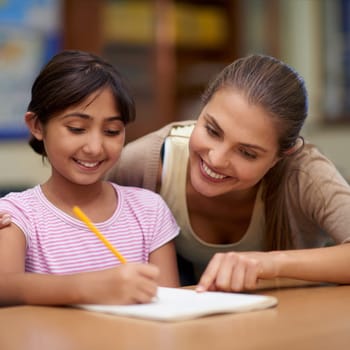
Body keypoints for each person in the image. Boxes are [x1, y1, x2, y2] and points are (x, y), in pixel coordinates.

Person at [106, 53, 350, 291]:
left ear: (281, 155)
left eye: (247, 153)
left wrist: (270, 263)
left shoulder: (305, 174)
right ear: (200, 110)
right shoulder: (148, 161)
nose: (216, 159)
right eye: (212, 130)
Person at [0, 50, 179, 306]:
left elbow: (171, 307)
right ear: (37, 126)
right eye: (77, 129)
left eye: (111, 131)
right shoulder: (17, 215)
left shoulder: (149, 211)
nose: (95, 147)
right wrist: (87, 287)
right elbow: (5, 290)